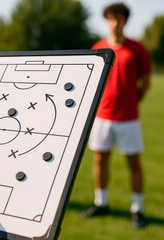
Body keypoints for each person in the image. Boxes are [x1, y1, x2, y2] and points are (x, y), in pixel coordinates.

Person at [82, 2, 152, 229]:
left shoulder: (137, 49)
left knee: (134, 163)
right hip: (102, 116)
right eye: (111, 18)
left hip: (128, 119)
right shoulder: (98, 47)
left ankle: (137, 209)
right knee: (100, 160)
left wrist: (132, 103)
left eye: (118, 18)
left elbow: (146, 82)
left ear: (125, 20)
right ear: (106, 21)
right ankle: (101, 202)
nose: (114, 22)